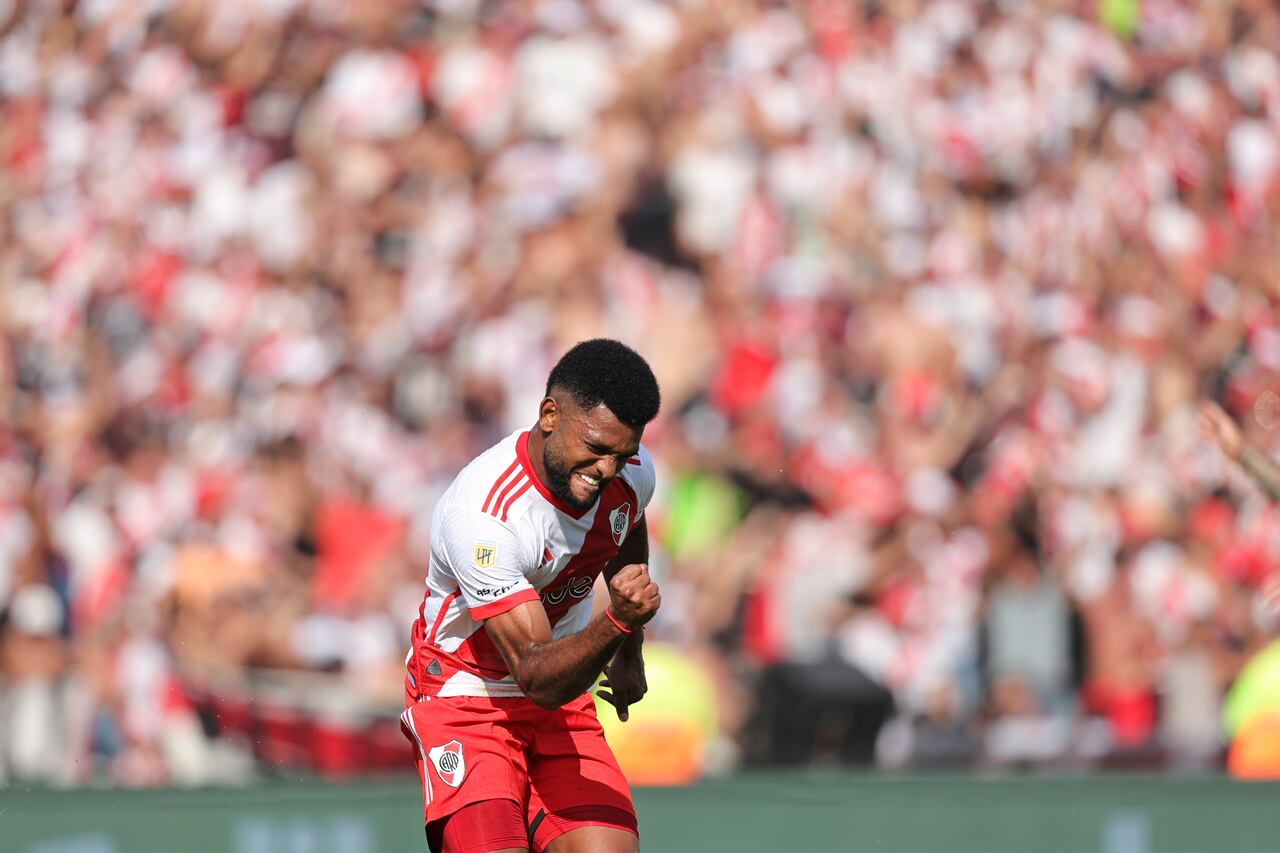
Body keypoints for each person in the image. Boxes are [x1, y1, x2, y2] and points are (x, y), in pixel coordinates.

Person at [401, 339, 663, 853]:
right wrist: (618, 626)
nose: (607, 469)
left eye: (622, 454)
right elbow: (537, 673)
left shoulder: (632, 473)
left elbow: (626, 524)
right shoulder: (484, 517)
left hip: (561, 700)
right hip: (468, 700)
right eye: (595, 449)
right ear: (549, 414)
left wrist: (629, 656)